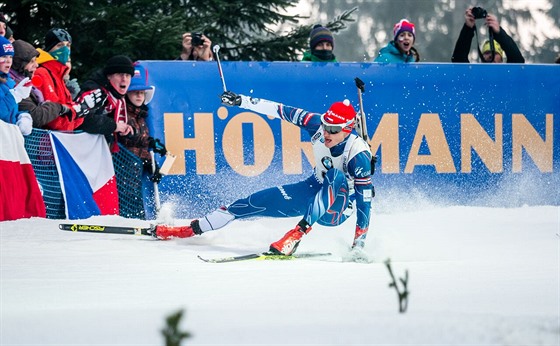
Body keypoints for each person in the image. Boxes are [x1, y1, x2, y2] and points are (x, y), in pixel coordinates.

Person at [157, 91, 374, 257]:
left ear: (347, 130)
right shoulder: (316, 124)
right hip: (312, 189)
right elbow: (279, 110)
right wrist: (240, 100)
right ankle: (189, 230)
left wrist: (359, 245)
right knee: (249, 203)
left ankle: (295, 236)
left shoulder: (358, 154)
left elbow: (365, 202)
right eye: (326, 125)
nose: (327, 132)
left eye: (334, 130)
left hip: (338, 208)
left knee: (335, 177)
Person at [34, 28, 102, 130]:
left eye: (68, 45)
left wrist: (82, 110)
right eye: (60, 45)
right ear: (49, 48)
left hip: (61, 139)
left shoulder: (59, 77)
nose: (65, 50)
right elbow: (54, 120)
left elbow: (70, 124)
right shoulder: (42, 73)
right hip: (44, 141)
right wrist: (76, 112)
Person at [9, 39, 74, 128]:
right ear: (20, 64)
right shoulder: (15, 85)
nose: (36, 65)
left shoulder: (25, 82)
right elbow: (36, 116)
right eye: (31, 61)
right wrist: (60, 108)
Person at [120, 62, 167, 182]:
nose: (139, 96)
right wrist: (149, 144)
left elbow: (139, 145)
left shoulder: (141, 116)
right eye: (135, 92)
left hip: (134, 176)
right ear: (127, 94)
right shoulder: (122, 113)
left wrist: (151, 163)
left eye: (142, 92)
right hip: (122, 174)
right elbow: (127, 141)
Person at [77, 55, 134, 151]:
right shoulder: (95, 92)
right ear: (109, 76)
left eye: (127, 75)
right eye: (120, 74)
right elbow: (82, 120)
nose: (124, 79)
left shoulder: (118, 98)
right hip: (81, 150)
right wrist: (114, 126)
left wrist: (127, 130)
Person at [451, 6, 524, 63]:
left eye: (495, 53)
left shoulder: (508, 76)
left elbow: (517, 60)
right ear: (482, 58)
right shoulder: (475, 77)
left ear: (501, 59)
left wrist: (499, 33)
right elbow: (458, 62)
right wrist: (468, 29)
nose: (490, 55)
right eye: (487, 53)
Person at [0, 36, 32, 136]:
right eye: (4, 56)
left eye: (11, 57)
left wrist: (22, 116)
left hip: (8, 140)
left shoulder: (9, 82)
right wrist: (14, 96)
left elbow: (10, 112)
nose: (9, 61)